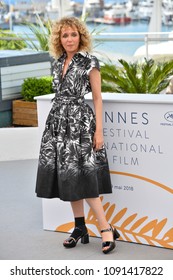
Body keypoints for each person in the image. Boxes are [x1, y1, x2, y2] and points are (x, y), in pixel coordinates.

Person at [35, 16, 120, 254]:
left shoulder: (89, 62)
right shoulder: (57, 62)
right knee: (69, 175)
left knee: (84, 176)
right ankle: (79, 227)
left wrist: (99, 131)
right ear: (58, 39)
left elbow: (97, 97)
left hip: (80, 124)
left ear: (80, 37)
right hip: (58, 125)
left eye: (73, 34)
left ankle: (106, 228)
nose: (69, 39)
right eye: (65, 35)